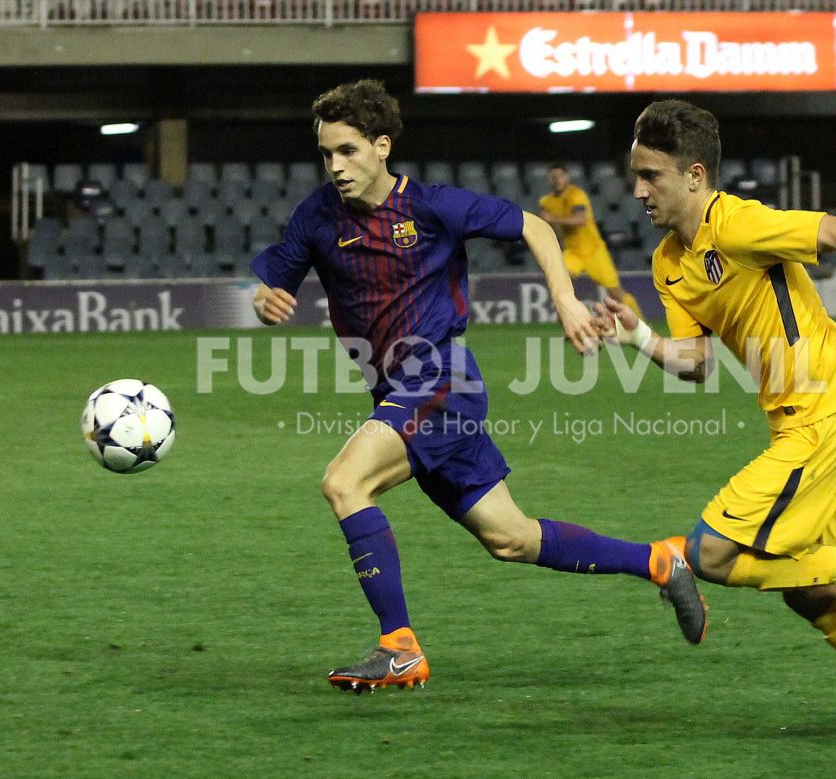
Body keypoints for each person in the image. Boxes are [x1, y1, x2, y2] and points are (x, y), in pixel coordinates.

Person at [249, 81, 707, 693]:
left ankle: (400, 647)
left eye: (349, 151)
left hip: (439, 379)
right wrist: (265, 300)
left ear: (382, 147)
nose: (335, 166)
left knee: (344, 481)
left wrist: (566, 302)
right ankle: (660, 559)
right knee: (510, 538)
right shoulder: (316, 217)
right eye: (327, 154)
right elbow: (267, 285)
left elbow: (538, 229)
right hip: (403, 392)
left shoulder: (435, 207)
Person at [595, 99, 836, 742]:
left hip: (822, 413)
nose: (637, 190)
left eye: (651, 176)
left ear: (695, 176)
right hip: (802, 421)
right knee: (806, 591)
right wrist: (637, 337)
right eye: (635, 175)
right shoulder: (670, 263)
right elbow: (695, 363)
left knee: (710, 553)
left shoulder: (739, 224)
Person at [539, 162, 643, 318]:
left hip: (594, 251)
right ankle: (571, 321)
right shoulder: (546, 202)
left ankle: (639, 321)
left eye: (560, 176)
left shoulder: (576, 195)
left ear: (567, 177)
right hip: (573, 253)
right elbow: (551, 227)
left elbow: (580, 220)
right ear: (549, 180)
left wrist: (553, 219)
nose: (557, 179)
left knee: (615, 293)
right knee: (558, 281)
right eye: (553, 177)